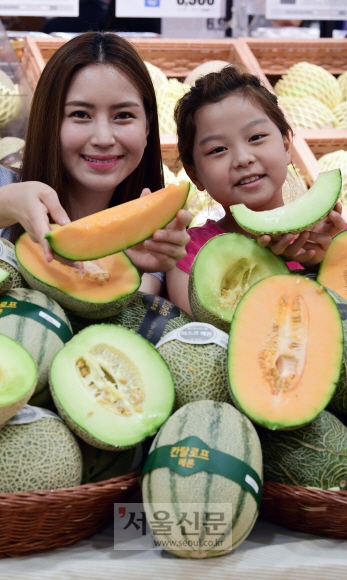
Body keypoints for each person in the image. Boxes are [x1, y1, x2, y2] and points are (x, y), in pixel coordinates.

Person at [0, 32, 190, 285]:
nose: (103, 138)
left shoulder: (154, 237)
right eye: (80, 114)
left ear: (147, 127)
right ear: (49, 123)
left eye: (123, 115)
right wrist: (7, 204)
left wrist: (132, 269)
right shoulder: (5, 183)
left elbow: (125, 319)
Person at [165, 65, 345, 315]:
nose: (242, 158)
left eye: (256, 137)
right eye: (218, 149)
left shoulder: (329, 236)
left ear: (285, 146)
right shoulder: (188, 254)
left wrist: (324, 262)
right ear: (195, 175)